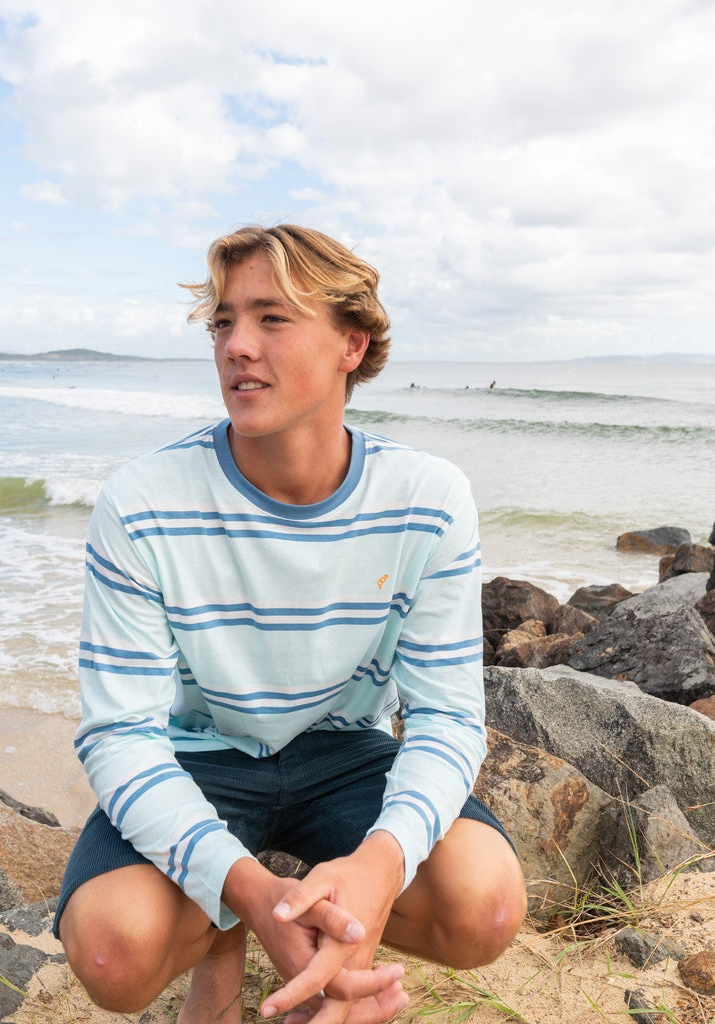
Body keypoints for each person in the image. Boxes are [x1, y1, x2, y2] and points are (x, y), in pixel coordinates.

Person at [55, 224, 527, 1024]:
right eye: (224, 322)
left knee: (483, 908)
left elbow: (447, 717)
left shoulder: (429, 499)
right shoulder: (142, 503)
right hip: (195, 755)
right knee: (112, 952)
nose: (237, 345)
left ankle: (299, 923)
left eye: (272, 318)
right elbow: (119, 736)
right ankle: (223, 936)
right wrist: (251, 892)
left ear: (352, 342)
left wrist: (375, 874)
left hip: (342, 752)